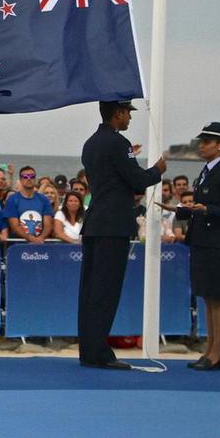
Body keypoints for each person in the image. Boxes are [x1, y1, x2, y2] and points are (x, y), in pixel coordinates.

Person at [78, 100, 165, 370]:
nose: (129, 117)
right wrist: (157, 171)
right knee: (106, 290)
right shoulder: (118, 143)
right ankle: (99, 352)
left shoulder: (91, 142)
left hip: (95, 222)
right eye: (127, 112)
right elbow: (137, 180)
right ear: (118, 113)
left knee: (90, 290)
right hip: (113, 225)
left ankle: (89, 348)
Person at [159, 122, 220, 371]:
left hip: (219, 243)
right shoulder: (205, 172)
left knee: (219, 298)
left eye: (206, 142)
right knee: (208, 298)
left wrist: (207, 209)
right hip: (203, 242)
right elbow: (200, 207)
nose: (201, 146)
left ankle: (217, 353)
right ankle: (209, 350)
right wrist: (179, 210)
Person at [3, 166, 54, 243]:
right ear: (20, 180)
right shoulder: (12, 200)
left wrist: (41, 238)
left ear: (35, 179)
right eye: (25, 177)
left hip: (40, 244)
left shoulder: (44, 200)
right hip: (18, 245)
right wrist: (30, 238)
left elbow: (48, 224)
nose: (29, 179)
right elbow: (14, 226)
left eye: (32, 176)